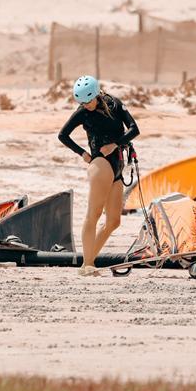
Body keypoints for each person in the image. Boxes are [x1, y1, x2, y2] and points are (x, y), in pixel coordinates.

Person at [57, 75, 140, 276]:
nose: (85, 105)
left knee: (113, 221)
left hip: (118, 165)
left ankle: (88, 262)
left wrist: (116, 144)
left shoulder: (115, 104)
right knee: (93, 214)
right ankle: (87, 265)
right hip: (100, 165)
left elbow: (134, 129)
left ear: (96, 95)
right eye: (81, 102)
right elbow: (63, 135)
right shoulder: (83, 113)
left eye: (88, 101)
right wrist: (83, 154)